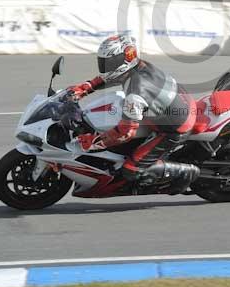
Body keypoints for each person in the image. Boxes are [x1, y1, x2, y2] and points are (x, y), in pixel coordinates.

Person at [68, 34, 199, 194]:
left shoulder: (136, 93)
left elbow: (125, 133)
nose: (105, 67)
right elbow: (112, 76)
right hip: (176, 104)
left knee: (131, 169)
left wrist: (93, 142)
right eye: (103, 62)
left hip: (174, 127)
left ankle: (187, 172)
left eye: (109, 62)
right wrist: (86, 87)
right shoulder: (139, 67)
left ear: (125, 59)